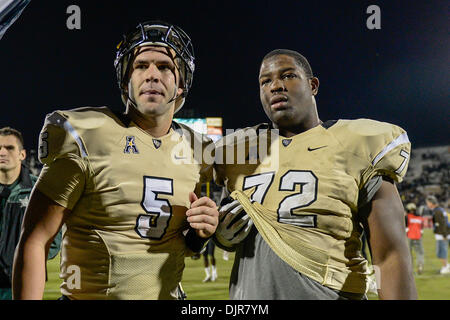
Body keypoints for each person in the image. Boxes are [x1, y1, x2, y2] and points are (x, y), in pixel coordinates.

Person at [12, 21, 219, 300]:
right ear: (125, 80)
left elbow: (176, 242)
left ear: (181, 84)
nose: (152, 75)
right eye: (141, 66)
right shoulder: (89, 136)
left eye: (165, 67)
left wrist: (200, 233)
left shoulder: (198, 151)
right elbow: (35, 240)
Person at [214, 49, 417, 300]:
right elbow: (226, 235)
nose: (276, 86)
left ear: (313, 85)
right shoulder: (238, 153)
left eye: (287, 76)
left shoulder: (356, 143)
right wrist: (222, 236)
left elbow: (390, 256)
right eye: (265, 81)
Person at [0, 127, 61, 299]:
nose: (2, 152)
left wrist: (22, 262)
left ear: (22, 155)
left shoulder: (40, 191)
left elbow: (54, 241)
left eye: (9, 148)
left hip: (23, 282)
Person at [426, 195, 449, 274]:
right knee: (443, 251)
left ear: (432, 203)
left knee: (441, 252)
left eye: (428, 203)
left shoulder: (437, 211)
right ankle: (446, 266)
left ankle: (445, 267)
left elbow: (442, 224)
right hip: (444, 233)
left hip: (442, 235)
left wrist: (444, 235)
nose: (427, 205)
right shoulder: (440, 210)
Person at [405, 202, 425, 274]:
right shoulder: (420, 218)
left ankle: (409, 268)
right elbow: (421, 229)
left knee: (408, 253)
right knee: (420, 253)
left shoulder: (407, 216)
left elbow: (405, 227)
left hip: (409, 236)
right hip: (418, 236)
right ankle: (420, 266)